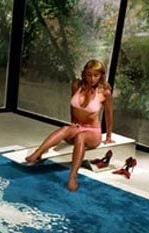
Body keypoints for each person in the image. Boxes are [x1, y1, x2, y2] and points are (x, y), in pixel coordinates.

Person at [25, 59, 114, 192]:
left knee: (81, 137)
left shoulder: (104, 92)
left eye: (96, 75)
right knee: (65, 129)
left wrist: (108, 136)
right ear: (84, 74)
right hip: (78, 127)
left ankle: (73, 176)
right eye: (89, 75)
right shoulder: (76, 85)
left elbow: (108, 115)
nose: (92, 79)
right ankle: (38, 153)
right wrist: (73, 123)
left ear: (101, 76)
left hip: (92, 132)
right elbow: (73, 106)